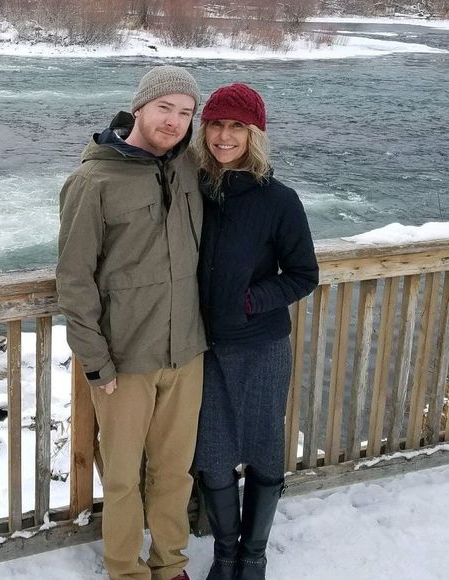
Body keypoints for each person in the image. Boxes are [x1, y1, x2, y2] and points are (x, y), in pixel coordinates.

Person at [56, 66, 206, 580]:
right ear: (139, 107)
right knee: (122, 478)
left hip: (186, 351)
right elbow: (74, 280)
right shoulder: (91, 181)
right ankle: (125, 570)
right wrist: (96, 362)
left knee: (174, 471)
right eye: (164, 107)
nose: (174, 121)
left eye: (185, 112)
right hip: (124, 360)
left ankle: (170, 563)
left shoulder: (189, 169)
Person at [194, 83, 319, 580]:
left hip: (261, 346)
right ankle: (226, 554)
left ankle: (253, 555)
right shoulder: (195, 190)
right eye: (216, 125)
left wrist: (249, 301)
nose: (224, 136)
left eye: (236, 127)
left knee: (265, 450)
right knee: (212, 454)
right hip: (204, 349)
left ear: (254, 135)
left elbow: (303, 274)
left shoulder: (279, 200)